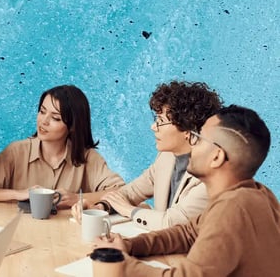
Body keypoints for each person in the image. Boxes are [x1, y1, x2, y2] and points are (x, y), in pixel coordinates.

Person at [93, 105, 280, 276]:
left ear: (216, 157)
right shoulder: (258, 193)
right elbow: (188, 233)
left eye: (198, 139)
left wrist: (120, 265)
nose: (191, 144)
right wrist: (129, 245)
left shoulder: (232, 208)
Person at [72, 81, 222, 230]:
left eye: (161, 121)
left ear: (188, 130)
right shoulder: (166, 157)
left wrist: (129, 210)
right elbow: (132, 191)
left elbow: (172, 222)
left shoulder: (211, 173)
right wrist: (101, 206)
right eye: (156, 119)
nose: (153, 127)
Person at [0, 85, 124, 208]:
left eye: (55, 118)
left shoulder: (87, 157)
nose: (43, 121)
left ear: (73, 126)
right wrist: (21, 194)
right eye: (42, 111)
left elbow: (123, 192)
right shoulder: (17, 151)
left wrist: (79, 199)